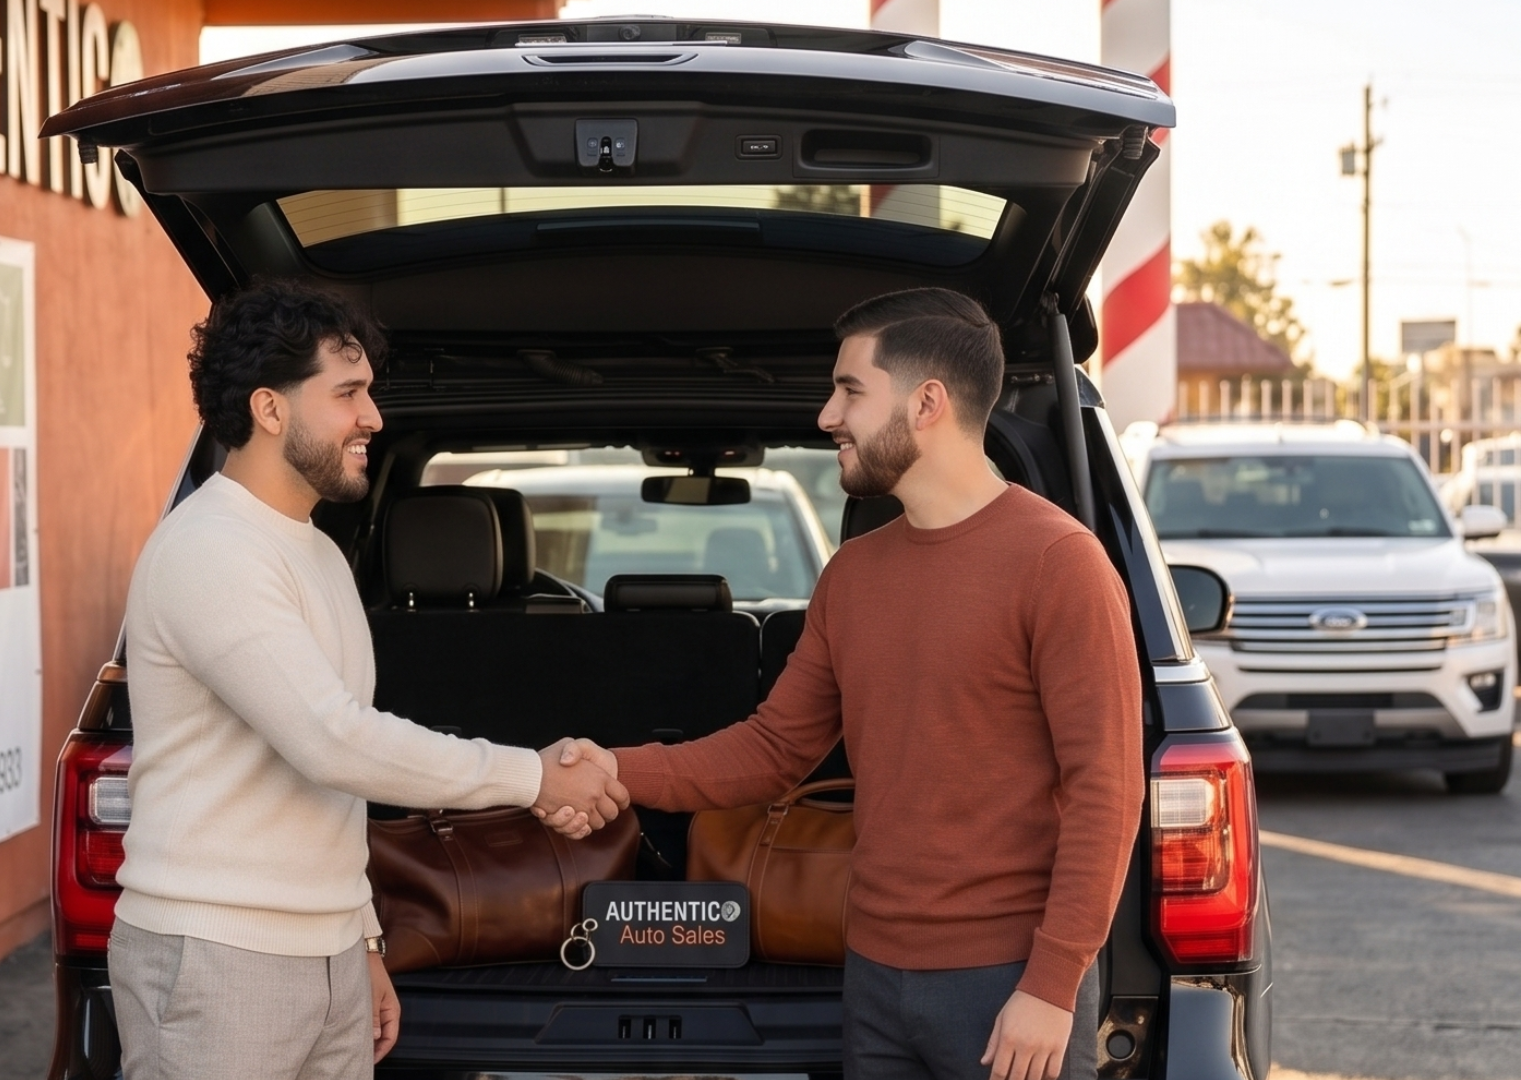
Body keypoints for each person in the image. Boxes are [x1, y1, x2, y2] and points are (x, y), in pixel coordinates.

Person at [553, 287, 1143, 1080]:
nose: (828, 416)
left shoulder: (1059, 565)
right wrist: (614, 768)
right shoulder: (855, 575)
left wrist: (1052, 982)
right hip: (871, 974)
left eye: (850, 390)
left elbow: (1107, 788)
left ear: (926, 402)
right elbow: (771, 751)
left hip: (1007, 984)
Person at [110, 280, 629, 1080]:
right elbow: (331, 742)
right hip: (219, 959)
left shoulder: (314, 549)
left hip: (323, 955)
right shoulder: (210, 549)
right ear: (270, 409)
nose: (374, 419)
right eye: (348, 393)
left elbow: (333, 788)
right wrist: (532, 777)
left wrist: (360, 941)